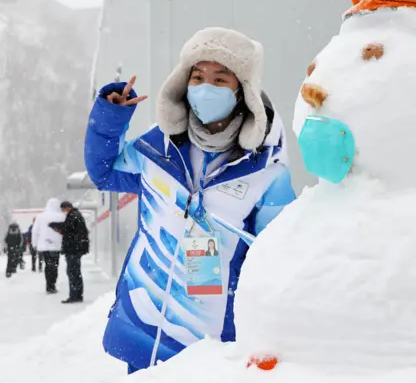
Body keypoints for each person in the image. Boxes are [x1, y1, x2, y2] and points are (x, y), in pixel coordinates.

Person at [84, 27, 296, 374]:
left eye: (220, 79)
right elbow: (104, 172)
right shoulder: (157, 149)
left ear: (242, 91)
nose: (205, 87)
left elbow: (274, 259)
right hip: (145, 324)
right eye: (197, 77)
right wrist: (111, 118)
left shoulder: (266, 172)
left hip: (213, 345)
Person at [50, 201, 89, 303]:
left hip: (73, 249)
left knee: (72, 272)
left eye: (63, 209)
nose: (63, 212)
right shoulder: (75, 215)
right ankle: (78, 295)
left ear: (67, 208)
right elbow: (70, 228)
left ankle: (74, 296)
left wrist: (59, 229)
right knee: (75, 272)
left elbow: (68, 230)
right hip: (76, 248)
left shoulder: (73, 215)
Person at [32, 198, 66, 293]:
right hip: (56, 246)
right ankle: (53, 284)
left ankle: (49, 285)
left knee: (48, 265)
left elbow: (35, 232)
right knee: (55, 265)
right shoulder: (62, 216)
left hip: (45, 245)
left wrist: (34, 244)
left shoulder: (40, 216)